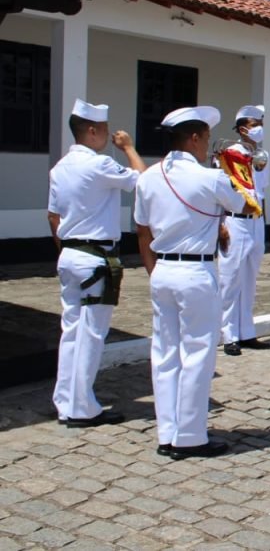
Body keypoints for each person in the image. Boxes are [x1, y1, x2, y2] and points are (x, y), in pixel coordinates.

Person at [134, 106, 253, 460]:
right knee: (197, 354)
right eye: (205, 140)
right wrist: (234, 167)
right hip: (196, 272)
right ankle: (189, 436)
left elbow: (142, 231)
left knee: (165, 354)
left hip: (162, 270)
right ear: (196, 138)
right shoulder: (209, 178)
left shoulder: (148, 177)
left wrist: (153, 271)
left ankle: (167, 431)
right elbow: (248, 206)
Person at [47, 99, 145, 427]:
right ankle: (82, 406)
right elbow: (144, 181)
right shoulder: (99, 164)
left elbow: (53, 216)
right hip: (95, 257)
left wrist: (66, 250)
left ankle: (65, 399)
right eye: (103, 130)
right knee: (91, 335)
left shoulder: (59, 168)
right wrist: (129, 148)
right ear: (92, 131)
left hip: (70, 254)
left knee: (72, 332)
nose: (106, 136)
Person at [219, 105, 270, 356]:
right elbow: (219, 192)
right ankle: (228, 334)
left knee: (250, 277)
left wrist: (263, 223)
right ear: (242, 129)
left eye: (260, 122)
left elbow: (261, 194)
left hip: (256, 221)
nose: (259, 127)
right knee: (230, 279)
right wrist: (219, 224)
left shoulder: (262, 155)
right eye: (254, 124)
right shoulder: (229, 154)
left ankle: (247, 332)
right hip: (235, 220)